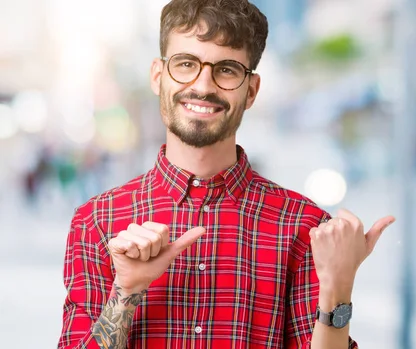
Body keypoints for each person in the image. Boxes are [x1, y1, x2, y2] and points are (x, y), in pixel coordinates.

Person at [58, 0, 395, 348]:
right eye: (186, 64)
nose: (204, 86)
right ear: (158, 76)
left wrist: (338, 290)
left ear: (251, 91)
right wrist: (125, 290)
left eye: (227, 70)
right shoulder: (97, 221)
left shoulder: (305, 227)